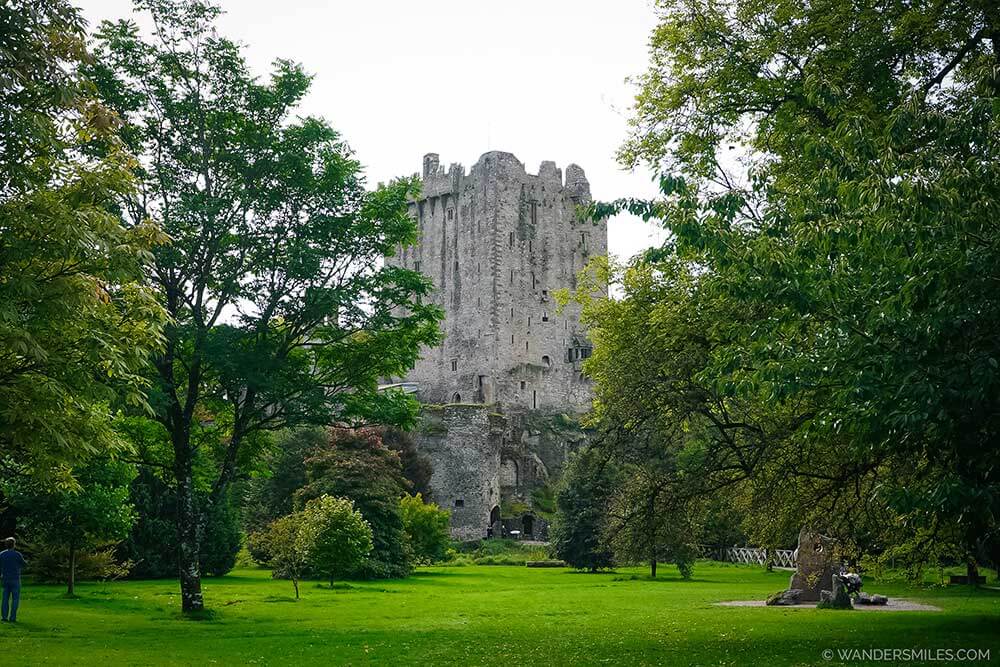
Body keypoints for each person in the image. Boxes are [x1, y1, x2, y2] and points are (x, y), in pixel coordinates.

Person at [1, 537, 27, 623]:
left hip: (5, 578)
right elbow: (24, 564)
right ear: (14, 545)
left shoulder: (1, 554)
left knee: (5, 598)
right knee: (15, 599)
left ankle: (4, 617)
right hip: (15, 578)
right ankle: (12, 618)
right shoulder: (17, 554)